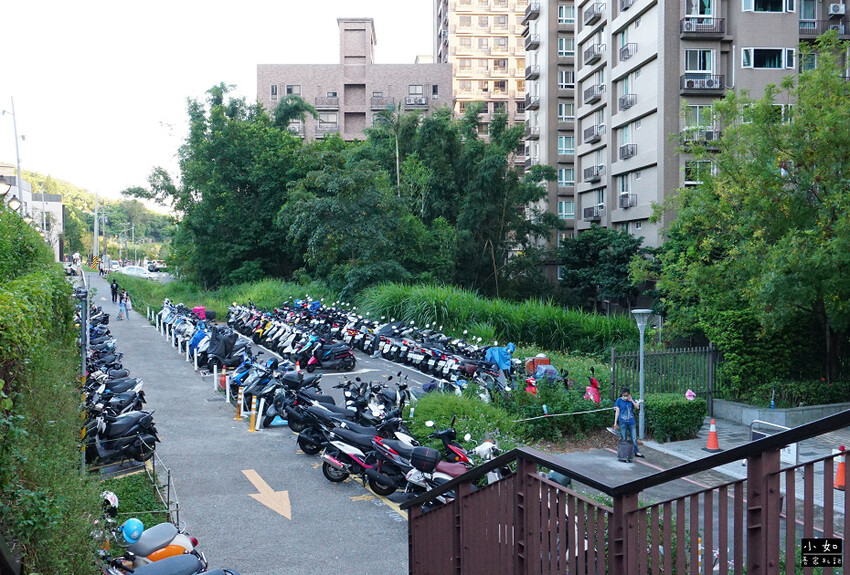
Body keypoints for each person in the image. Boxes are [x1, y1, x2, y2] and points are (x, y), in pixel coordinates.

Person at [613, 387, 644, 459]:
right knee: (624, 438)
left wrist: (631, 401)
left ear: (629, 395)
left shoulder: (631, 399)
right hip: (623, 422)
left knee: (634, 438)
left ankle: (636, 451)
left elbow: (637, 407)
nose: (625, 397)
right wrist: (615, 422)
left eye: (626, 395)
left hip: (631, 422)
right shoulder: (619, 400)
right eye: (624, 395)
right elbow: (617, 411)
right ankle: (624, 452)